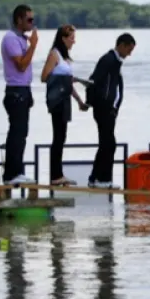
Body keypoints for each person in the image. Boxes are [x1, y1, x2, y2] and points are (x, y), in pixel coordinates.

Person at [40, 24, 89, 187]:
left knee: (62, 137)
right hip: (57, 100)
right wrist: (64, 79)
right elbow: (44, 77)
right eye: (72, 38)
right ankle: (56, 175)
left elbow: (68, 84)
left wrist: (79, 101)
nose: (74, 41)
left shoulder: (65, 58)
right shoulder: (54, 54)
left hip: (65, 100)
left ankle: (58, 174)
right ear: (63, 38)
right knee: (58, 137)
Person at [86, 33, 135, 189]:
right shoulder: (108, 60)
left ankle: (96, 178)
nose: (129, 54)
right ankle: (102, 179)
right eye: (129, 49)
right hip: (103, 108)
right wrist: (91, 102)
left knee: (107, 144)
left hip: (110, 109)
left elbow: (116, 87)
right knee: (108, 144)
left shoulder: (116, 62)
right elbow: (93, 80)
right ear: (121, 45)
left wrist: (115, 107)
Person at [1, 4, 39, 185]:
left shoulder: (22, 38)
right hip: (15, 90)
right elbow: (22, 65)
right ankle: (11, 174)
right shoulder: (10, 38)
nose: (32, 23)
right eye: (29, 19)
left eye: (33, 19)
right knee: (16, 133)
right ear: (19, 20)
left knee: (22, 133)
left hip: (24, 89)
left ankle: (18, 170)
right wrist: (34, 46)